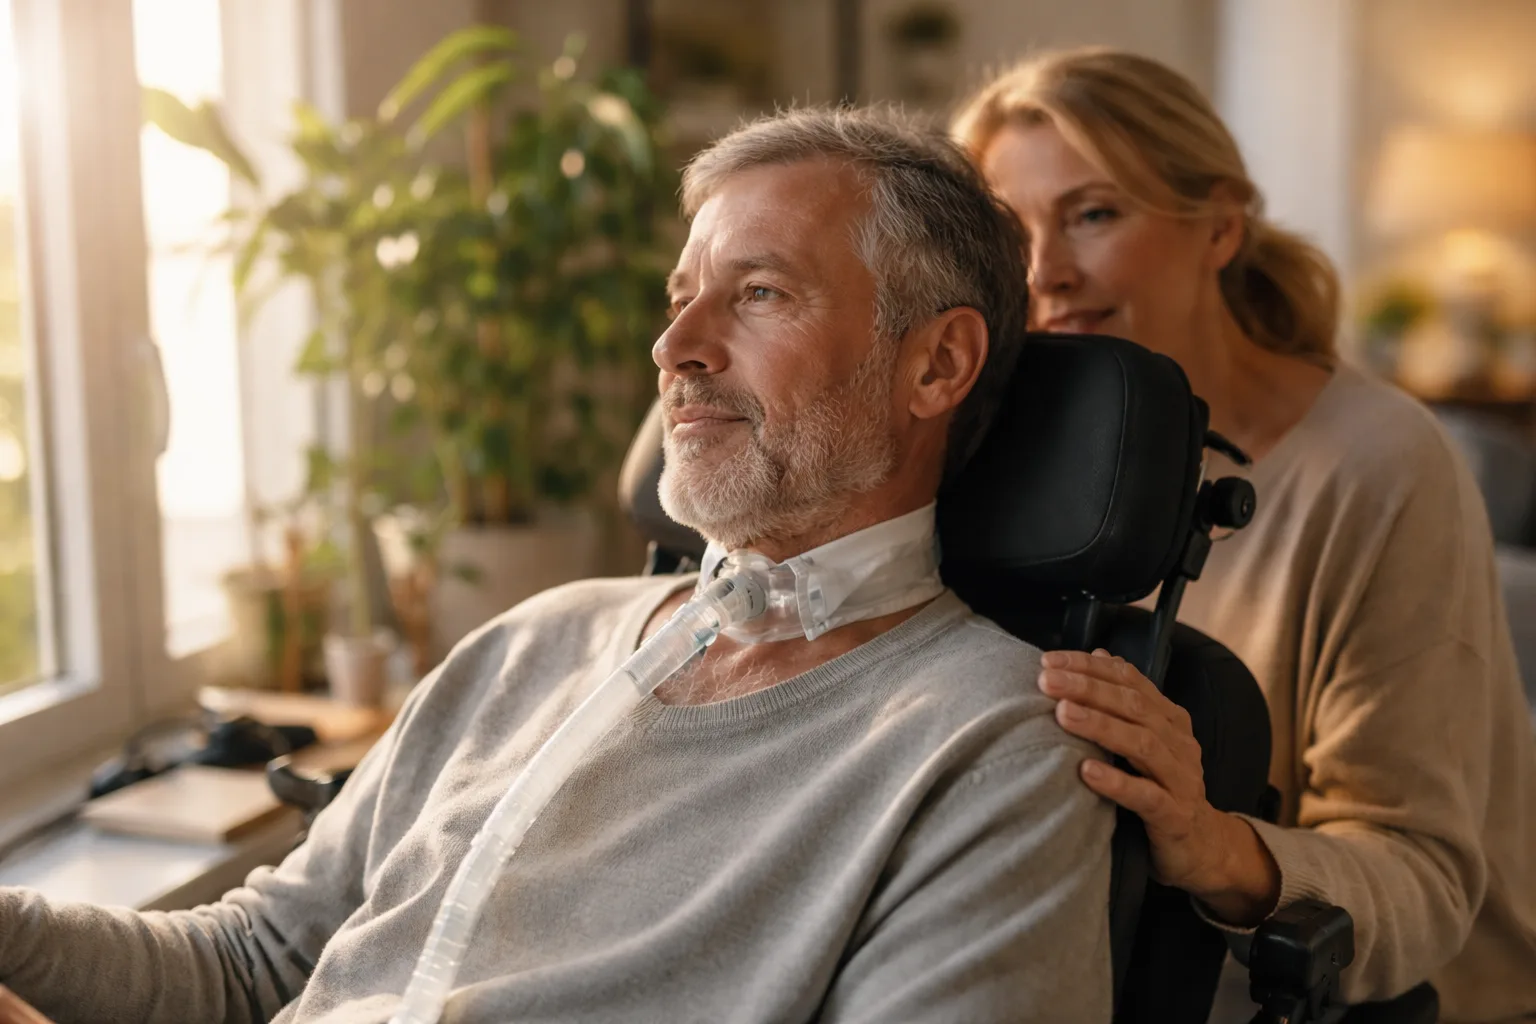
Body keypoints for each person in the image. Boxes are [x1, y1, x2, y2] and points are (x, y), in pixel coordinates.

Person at [0, 107, 1115, 1024]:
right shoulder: (534, 640)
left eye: (760, 293)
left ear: (937, 364)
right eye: (681, 297)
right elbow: (254, 963)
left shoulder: (991, 749)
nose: (674, 348)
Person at [954, 47, 1536, 1021]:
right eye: (1011, 232)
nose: (1045, 272)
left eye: (1094, 215)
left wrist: (1211, 843)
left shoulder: (1380, 466)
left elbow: (1424, 878)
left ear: (1220, 226)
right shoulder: (1001, 454)